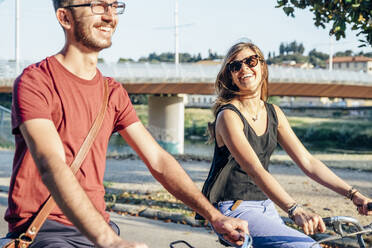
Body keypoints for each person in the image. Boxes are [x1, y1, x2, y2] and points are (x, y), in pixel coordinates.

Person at [4, 1, 249, 247]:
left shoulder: (111, 92)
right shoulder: (35, 82)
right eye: (98, 6)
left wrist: (215, 217)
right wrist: (109, 241)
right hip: (47, 231)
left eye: (113, 6)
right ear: (65, 17)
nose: (110, 16)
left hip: (100, 226)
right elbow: (51, 163)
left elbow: (158, 160)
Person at [200, 40, 372, 248]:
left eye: (250, 61)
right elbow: (255, 169)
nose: (244, 68)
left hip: (266, 205)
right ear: (230, 75)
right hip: (235, 208)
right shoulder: (229, 116)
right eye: (235, 66)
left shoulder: (274, 113)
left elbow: (308, 161)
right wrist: (295, 209)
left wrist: (353, 195)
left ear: (262, 66)